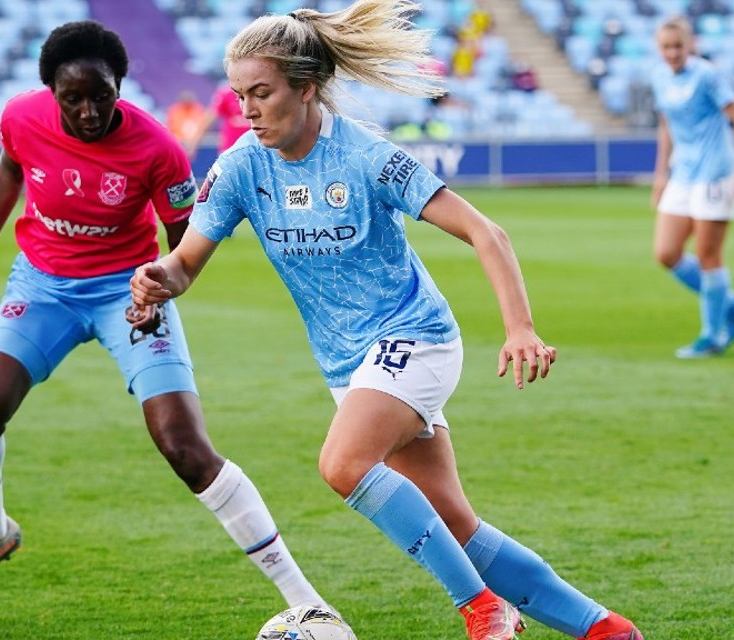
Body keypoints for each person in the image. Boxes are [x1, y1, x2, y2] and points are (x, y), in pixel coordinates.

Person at [129, 3, 643, 639]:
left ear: (305, 86)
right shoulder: (241, 167)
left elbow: (486, 232)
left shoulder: (367, 156)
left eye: (261, 92)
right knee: (457, 527)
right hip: (348, 364)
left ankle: (483, 610)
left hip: (414, 339)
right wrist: (158, 280)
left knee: (343, 464)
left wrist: (520, 329)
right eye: (240, 95)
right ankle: (606, 630)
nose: (248, 109)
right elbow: (184, 265)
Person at [0, 19, 326, 615]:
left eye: (103, 95)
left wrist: (158, 293)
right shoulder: (21, 117)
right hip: (42, 286)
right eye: (74, 99)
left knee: (184, 445)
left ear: (120, 84)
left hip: (128, 293)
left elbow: (184, 238)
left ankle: (306, 604)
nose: (90, 111)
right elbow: (11, 170)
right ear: (50, 94)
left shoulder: (158, 151)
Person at [649, 16, 734, 359]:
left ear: (689, 45)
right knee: (666, 253)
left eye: (678, 46)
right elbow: (667, 126)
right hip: (683, 173)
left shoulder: (706, 75)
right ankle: (732, 304)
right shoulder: (660, 78)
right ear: (658, 48)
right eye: (666, 47)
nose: (673, 53)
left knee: (709, 256)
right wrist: (660, 175)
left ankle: (712, 335)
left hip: (716, 173)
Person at [187, 80, 251, 158]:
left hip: (255, 151)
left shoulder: (260, 92)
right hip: (230, 150)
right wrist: (193, 144)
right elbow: (209, 119)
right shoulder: (226, 93)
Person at [165, 89, 208, 158]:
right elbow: (171, 128)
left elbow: (202, 128)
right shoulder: (175, 110)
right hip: (178, 143)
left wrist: (193, 143)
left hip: (196, 144)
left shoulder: (198, 109)